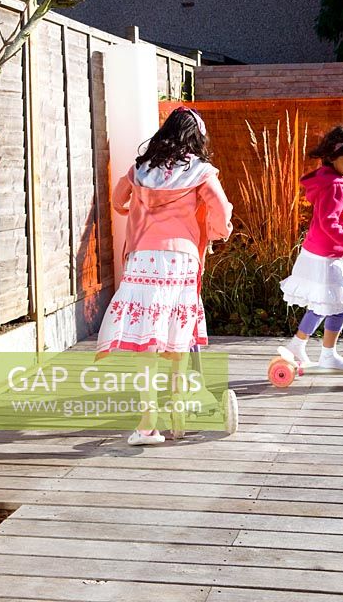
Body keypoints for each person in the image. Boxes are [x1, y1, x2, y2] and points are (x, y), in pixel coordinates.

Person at [96, 107, 233, 444]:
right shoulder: (200, 171)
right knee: (177, 333)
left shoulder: (141, 168)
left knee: (147, 341)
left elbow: (117, 199)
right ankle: (179, 406)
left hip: (143, 259)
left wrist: (129, 209)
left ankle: (146, 425)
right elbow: (221, 211)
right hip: (180, 260)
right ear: (196, 137)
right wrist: (217, 232)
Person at [280, 124, 343, 369]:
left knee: (324, 303)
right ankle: (328, 355)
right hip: (325, 255)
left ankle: (297, 344)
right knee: (341, 306)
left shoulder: (342, 179)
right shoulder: (334, 185)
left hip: (324, 253)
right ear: (332, 158)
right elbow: (329, 224)